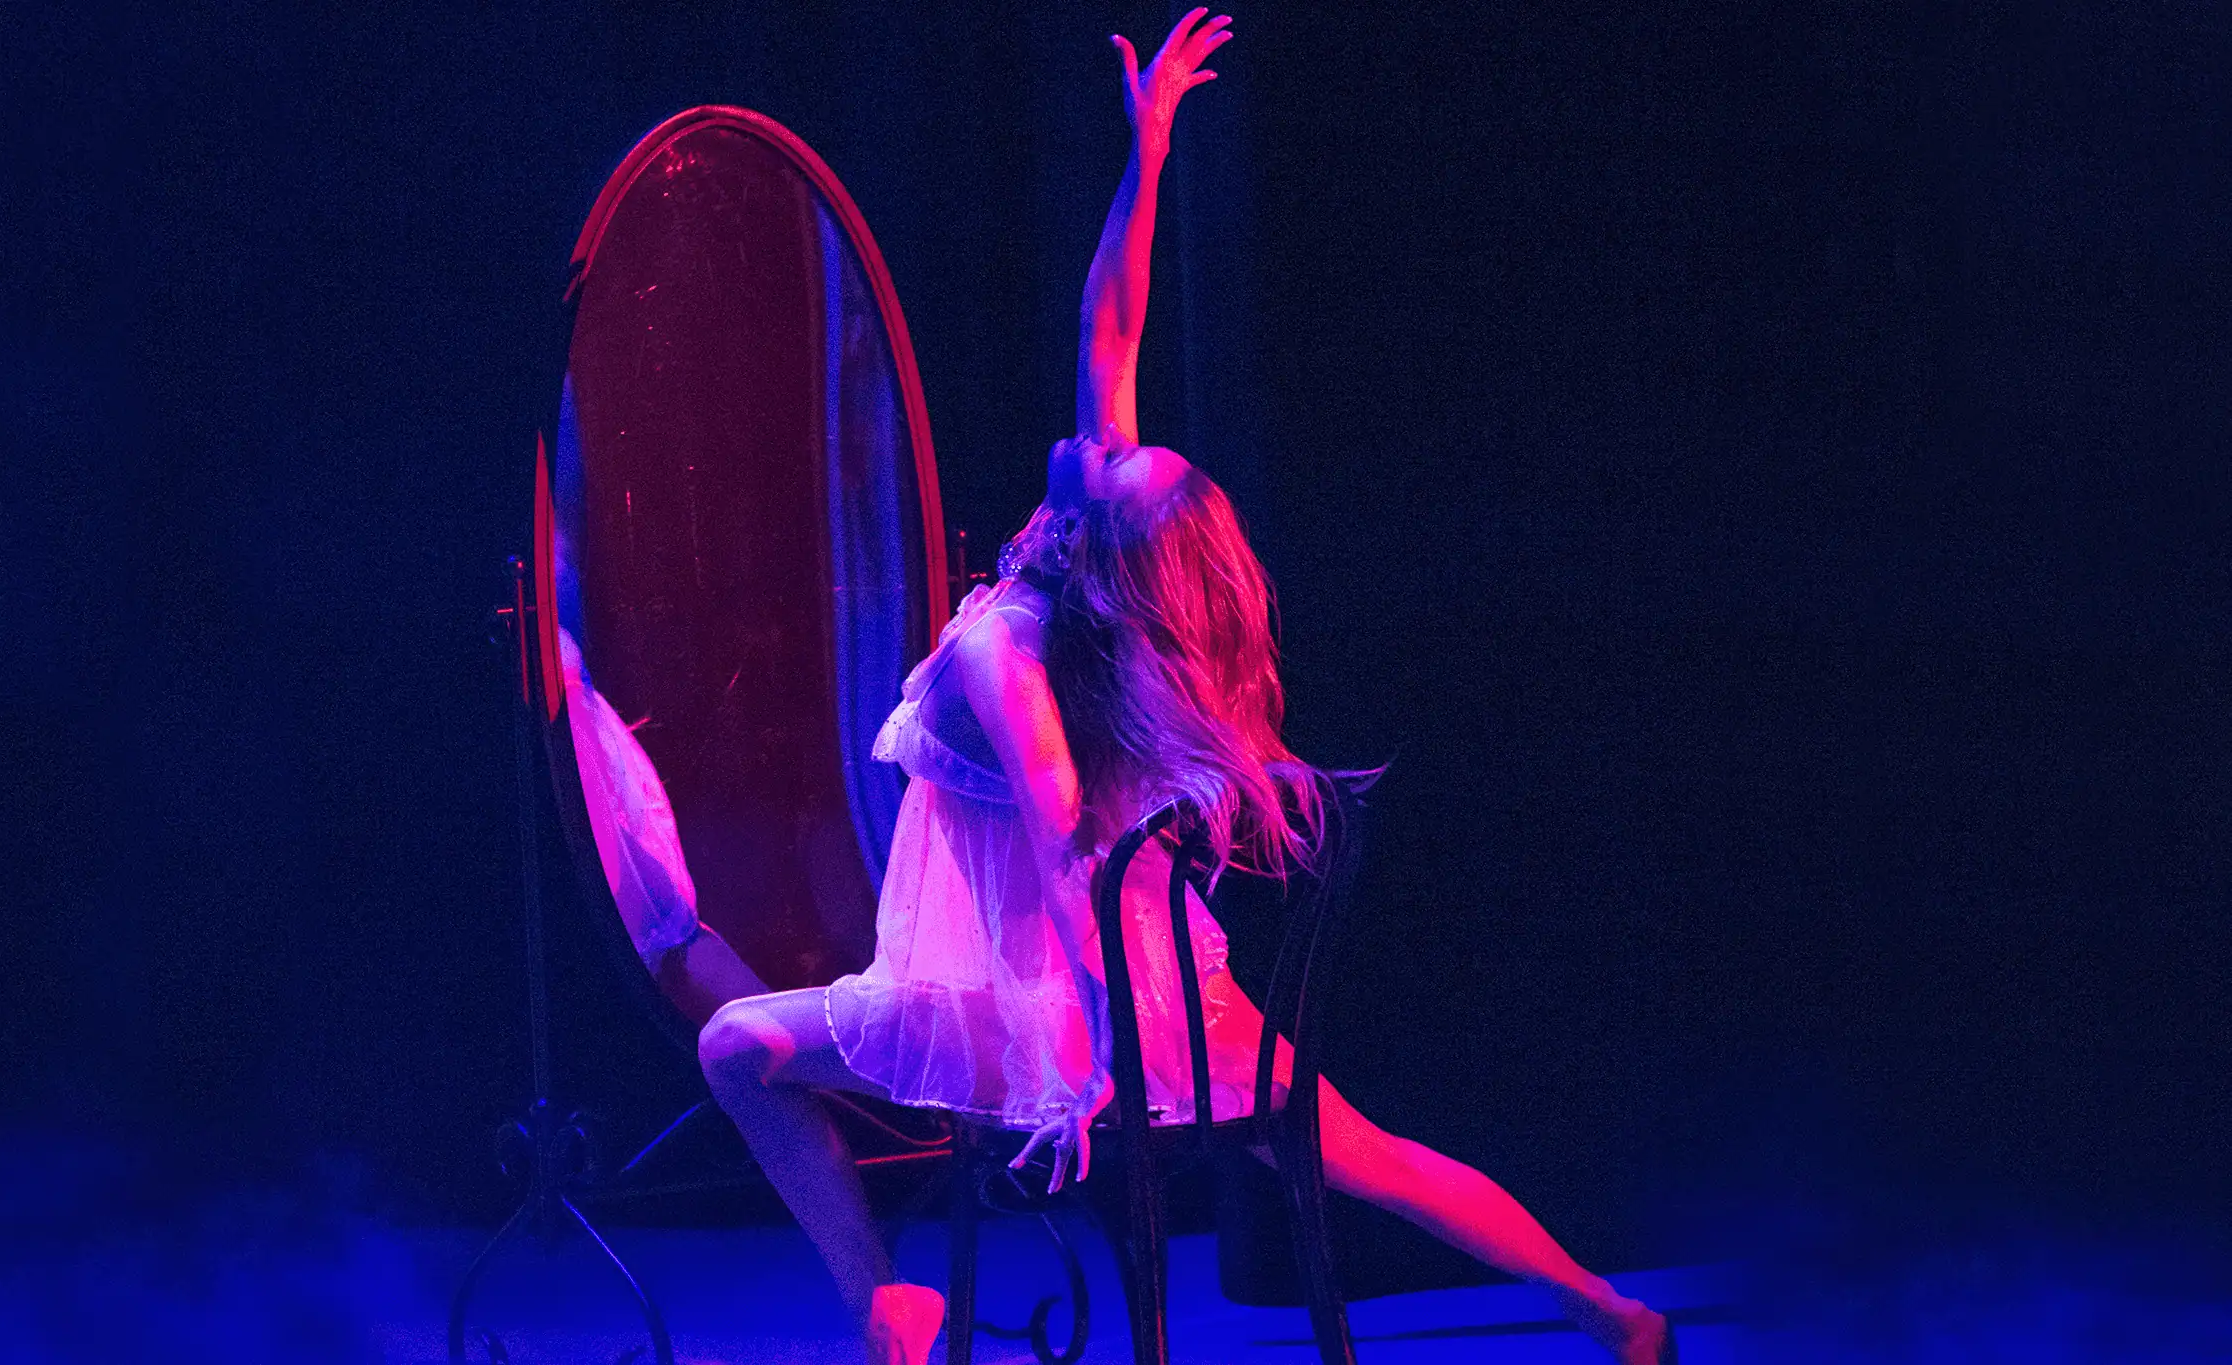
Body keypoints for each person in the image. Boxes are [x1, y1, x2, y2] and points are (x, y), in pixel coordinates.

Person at [696, 13, 1675, 1364]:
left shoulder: (1005, 651)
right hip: (1160, 996)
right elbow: (1112, 328)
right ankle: (1613, 1313)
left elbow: (1063, 848)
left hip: (1060, 1013)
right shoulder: (1094, 594)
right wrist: (1147, 153)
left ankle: (881, 1301)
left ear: (1097, 556)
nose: (1103, 439)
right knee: (1367, 1152)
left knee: (735, 1047)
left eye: (1118, 463)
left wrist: (1094, 1060)